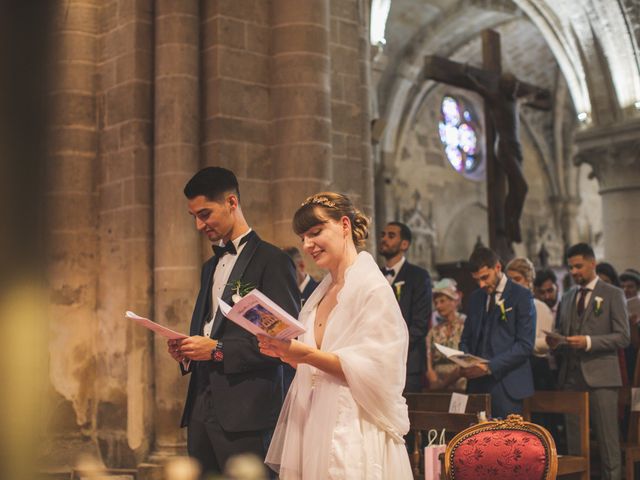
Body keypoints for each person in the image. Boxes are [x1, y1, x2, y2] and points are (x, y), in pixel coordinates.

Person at [258, 192, 412, 479]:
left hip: (355, 425)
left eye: (316, 232)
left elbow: (380, 369)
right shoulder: (321, 293)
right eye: (303, 237)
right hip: (316, 418)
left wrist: (305, 354)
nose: (307, 245)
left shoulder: (372, 288)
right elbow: (317, 365)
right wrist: (286, 353)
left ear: (344, 225)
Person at [167, 167, 300, 477]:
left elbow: (283, 341)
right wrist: (188, 351)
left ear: (231, 202)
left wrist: (217, 349)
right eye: (194, 217)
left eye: (205, 213)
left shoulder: (273, 261)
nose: (199, 225)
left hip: (247, 410)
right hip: (201, 405)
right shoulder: (209, 266)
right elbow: (210, 327)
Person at [547, 243, 629, 480]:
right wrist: (557, 342)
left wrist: (589, 342)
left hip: (601, 378)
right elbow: (564, 331)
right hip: (571, 378)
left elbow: (623, 337)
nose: (573, 272)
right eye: (570, 267)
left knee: (607, 443)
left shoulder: (613, 294)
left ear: (593, 263)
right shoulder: (569, 296)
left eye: (578, 266)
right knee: (574, 447)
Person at [459, 246, 535, 418]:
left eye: (485, 277)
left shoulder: (521, 295)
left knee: (507, 442)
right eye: (476, 280)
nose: (481, 284)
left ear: (498, 268)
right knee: (477, 441)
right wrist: (464, 359)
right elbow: (466, 337)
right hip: (477, 385)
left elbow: (525, 345)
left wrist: (488, 367)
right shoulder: (476, 297)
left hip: (507, 384)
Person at [379, 221, 432, 393]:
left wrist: (393, 349)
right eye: (383, 235)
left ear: (404, 244)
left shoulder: (418, 276)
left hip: (408, 363)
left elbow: (420, 323)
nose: (384, 239)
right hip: (376, 362)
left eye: (391, 235)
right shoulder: (374, 275)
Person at [506, 257, 555, 390]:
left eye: (517, 279)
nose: (512, 284)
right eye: (509, 280)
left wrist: (521, 344)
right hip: (512, 368)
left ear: (528, 281)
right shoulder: (505, 308)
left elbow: (546, 343)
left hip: (536, 368)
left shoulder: (540, 307)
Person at [425, 278, 466, 391]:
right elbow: (429, 364)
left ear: (454, 301)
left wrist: (445, 383)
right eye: (436, 302)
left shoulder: (466, 326)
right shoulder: (434, 332)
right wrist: (435, 382)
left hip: (461, 383)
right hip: (438, 386)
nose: (438, 306)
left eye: (442, 301)